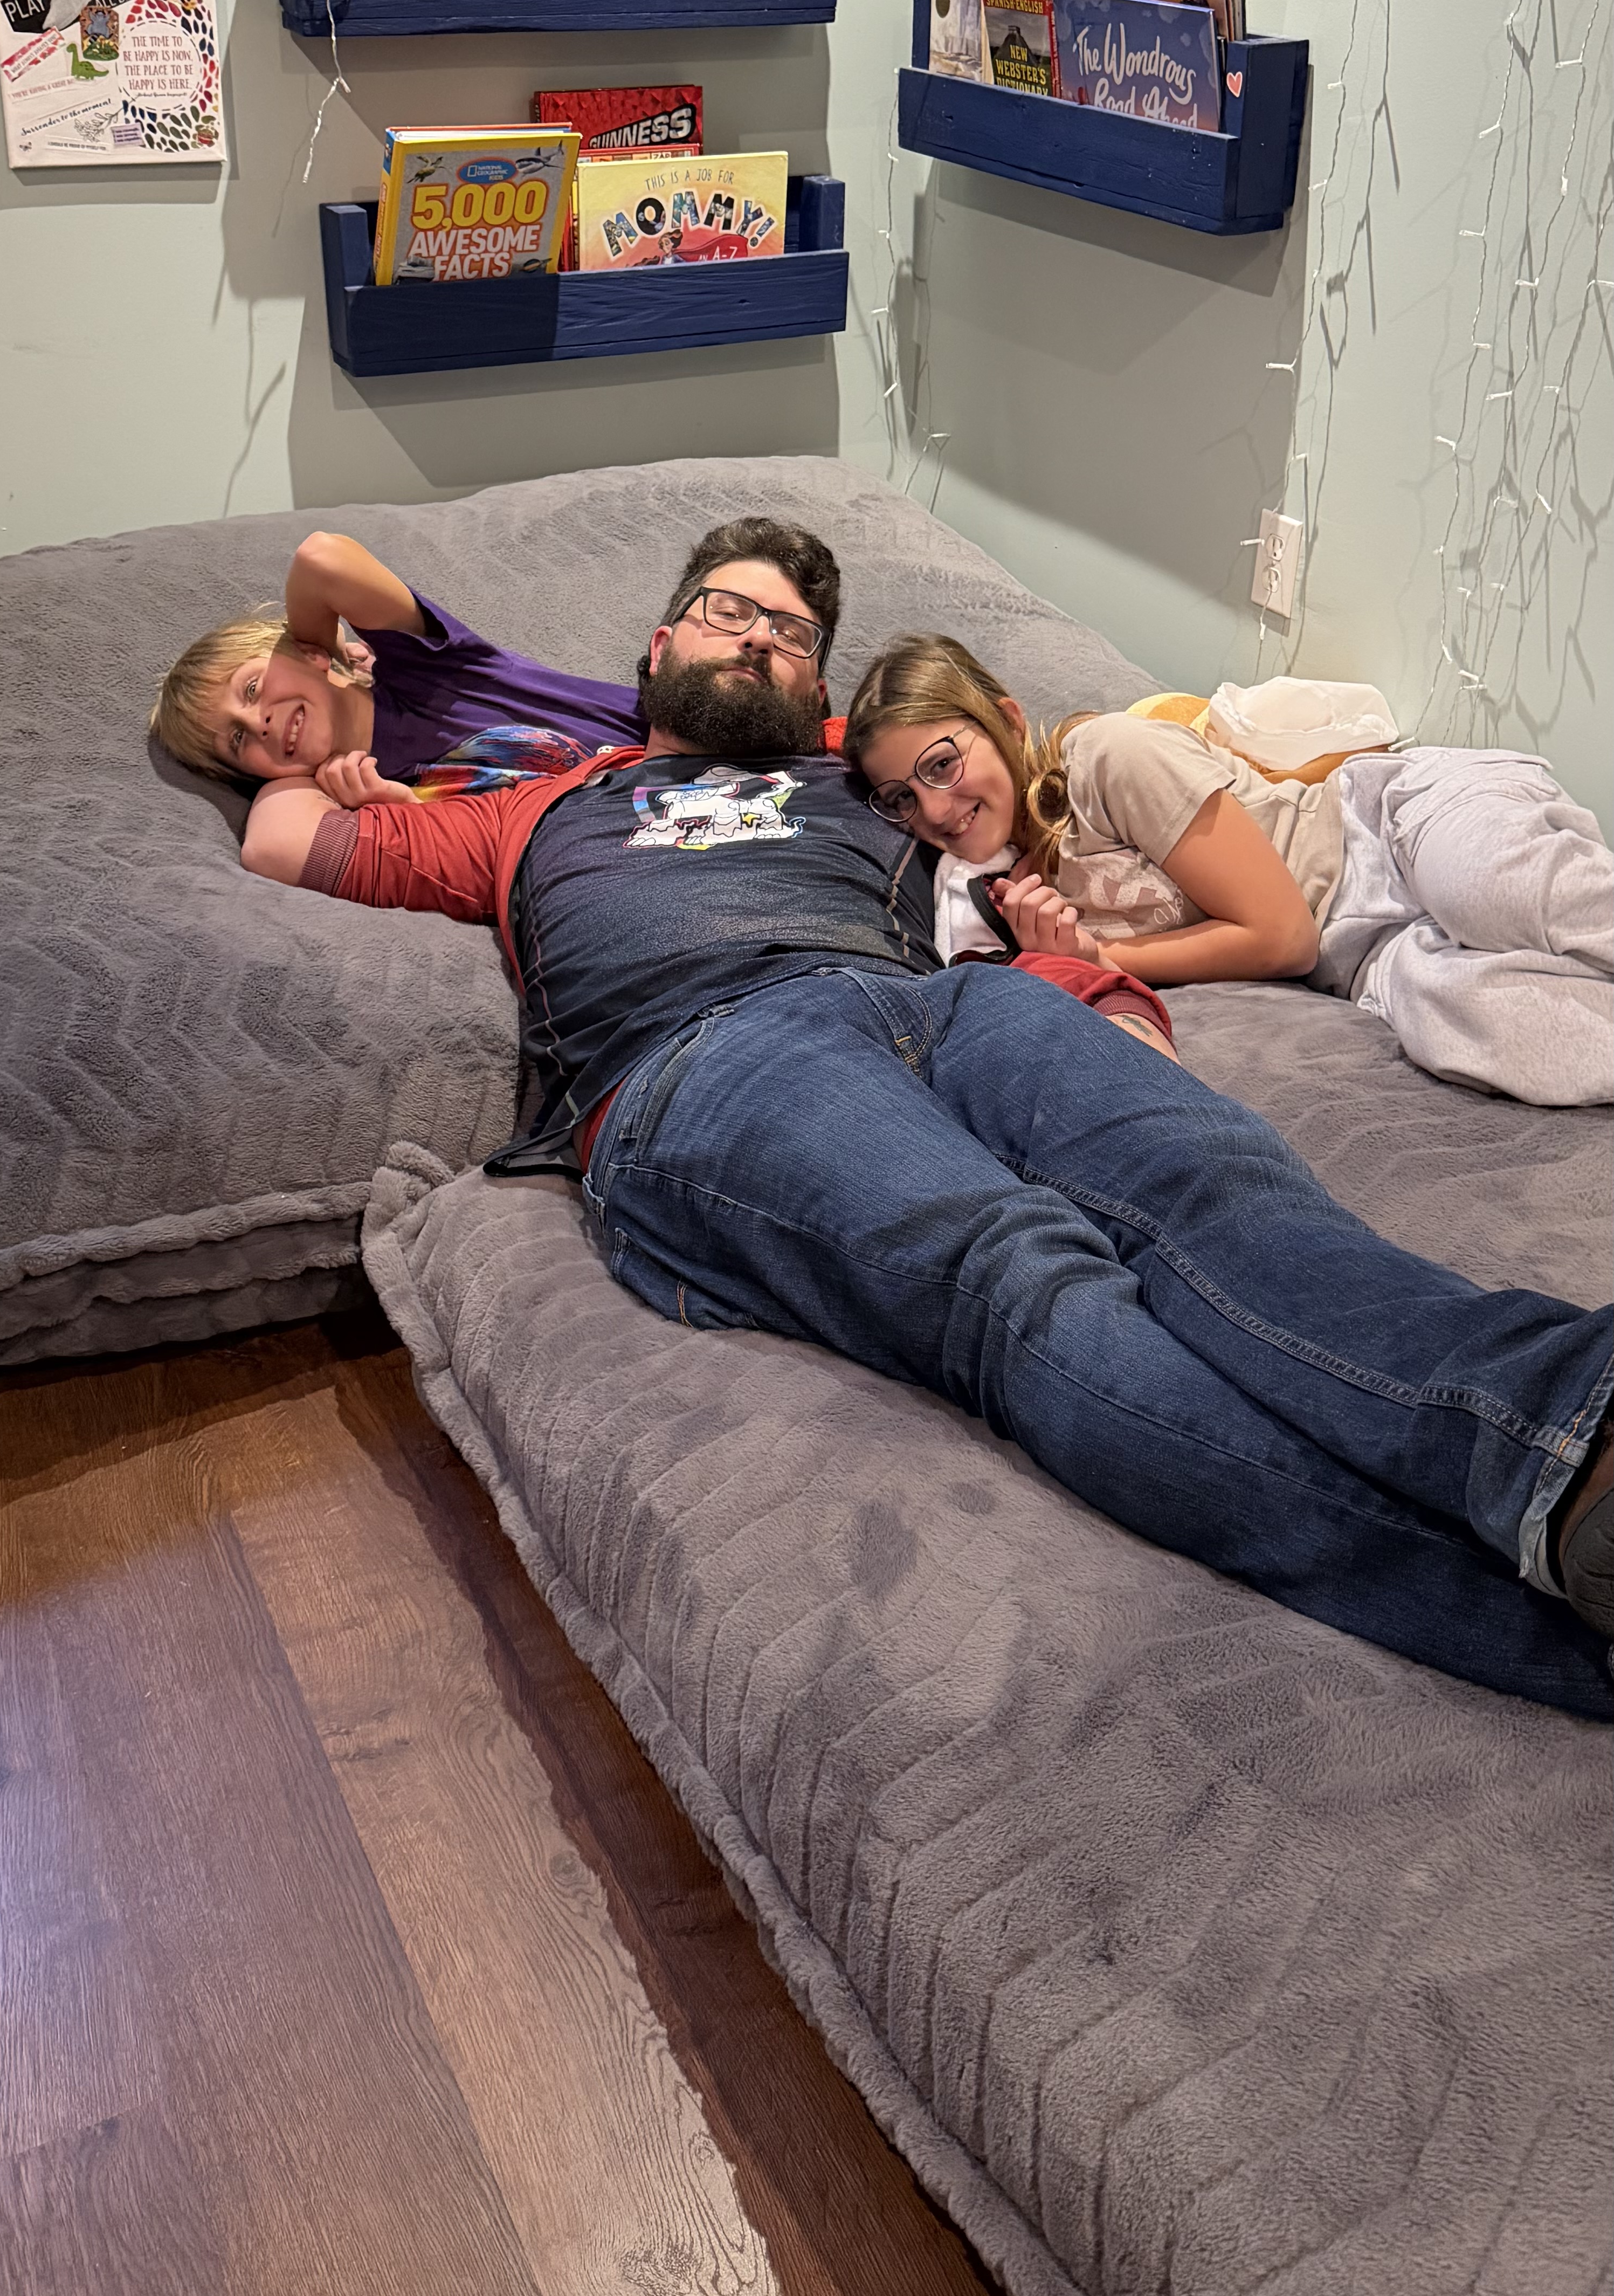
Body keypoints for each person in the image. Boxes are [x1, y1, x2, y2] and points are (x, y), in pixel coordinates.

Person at [240, 517, 1614, 1718]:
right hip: (701, 1057)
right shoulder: (532, 810)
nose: (759, 638)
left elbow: (997, 806)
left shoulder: (858, 778)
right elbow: (280, 832)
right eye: (728, 611)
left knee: (1210, 1177)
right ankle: (1551, 1632)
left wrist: (1096, 992)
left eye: (792, 636)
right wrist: (340, 729)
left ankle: (1576, 1431)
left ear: (816, 693)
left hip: (948, 1006)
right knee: (1020, 1274)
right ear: (657, 649)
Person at [843, 634, 1614, 1111]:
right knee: (1501, 1034)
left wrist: (1101, 958)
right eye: (900, 797)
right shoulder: (1006, 898)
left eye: (942, 763)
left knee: (1489, 890)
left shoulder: (1106, 758)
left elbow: (1282, 937)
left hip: (1387, 829)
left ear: (1007, 723)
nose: (933, 808)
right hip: (1361, 955)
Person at [148, 527, 641, 794]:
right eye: (236, 740)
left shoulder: (426, 672)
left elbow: (322, 558)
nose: (258, 724)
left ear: (306, 653)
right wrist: (390, 806)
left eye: (252, 689)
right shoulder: (356, 802)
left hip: (669, 743)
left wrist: (319, 644)